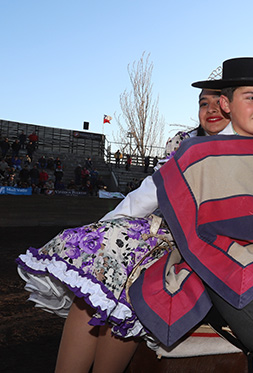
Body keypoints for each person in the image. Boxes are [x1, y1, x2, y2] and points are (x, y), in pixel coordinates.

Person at [17, 77, 232, 372]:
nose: (210, 109)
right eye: (203, 103)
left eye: (218, 102)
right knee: (96, 281)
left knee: (132, 291)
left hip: (206, 246)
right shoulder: (184, 143)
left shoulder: (249, 146)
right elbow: (150, 193)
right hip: (162, 234)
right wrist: (103, 229)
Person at [130, 57, 253, 372]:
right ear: (226, 104)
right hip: (227, 264)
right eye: (252, 97)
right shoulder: (196, 153)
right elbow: (152, 204)